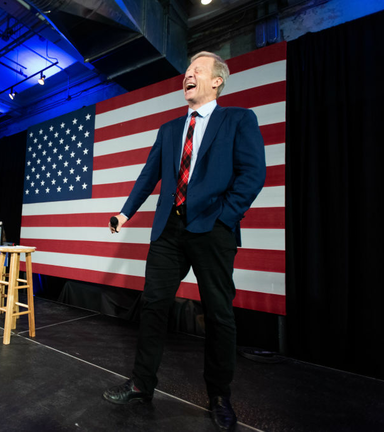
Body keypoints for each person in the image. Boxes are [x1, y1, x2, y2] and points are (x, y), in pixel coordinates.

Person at [102, 51, 266, 432]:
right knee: (154, 304)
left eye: (197, 70)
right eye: (187, 70)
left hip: (213, 228)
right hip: (168, 230)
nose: (187, 75)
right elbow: (148, 176)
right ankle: (142, 383)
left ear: (216, 81)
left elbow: (252, 174)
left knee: (219, 313)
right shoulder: (170, 129)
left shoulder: (239, 119)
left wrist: (225, 216)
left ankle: (219, 395)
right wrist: (125, 213)